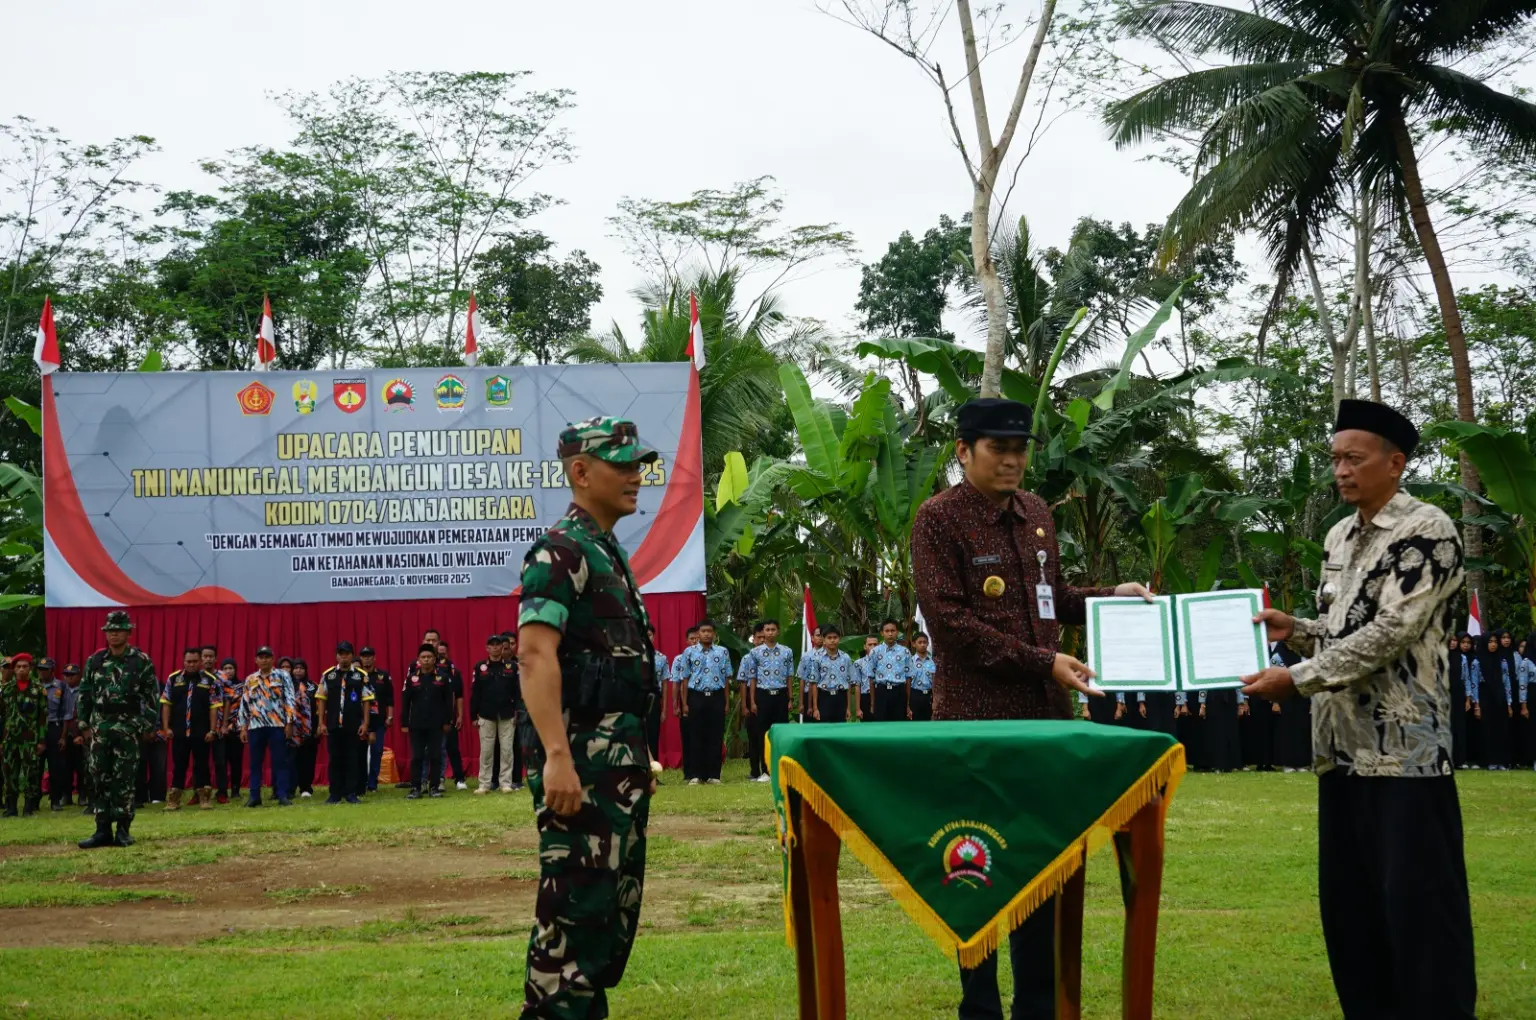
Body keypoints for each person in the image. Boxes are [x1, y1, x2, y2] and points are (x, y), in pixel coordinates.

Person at [911, 397, 1151, 1020]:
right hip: (975, 723)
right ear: (964, 451)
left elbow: (1052, 597)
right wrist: (1044, 662)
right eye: (998, 448)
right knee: (977, 863)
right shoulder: (938, 518)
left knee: (1044, 862)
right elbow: (950, 623)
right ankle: (980, 1006)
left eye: (1020, 449)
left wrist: (1111, 597)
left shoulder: (1036, 513)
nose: (1012, 460)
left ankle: (1038, 1006)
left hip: (1046, 721)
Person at [1242, 398, 1475, 1020]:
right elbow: (1344, 630)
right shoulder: (1339, 535)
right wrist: (1296, 629)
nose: (1341, 471)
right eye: (1335, 459)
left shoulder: (1427, 530)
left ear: (1395, 463)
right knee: (1352, 911)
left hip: (1405, 754)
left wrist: (1296, 678)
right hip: (1340, 749)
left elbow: (1392, 631)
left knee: (1421, 909)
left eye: (1355, 459)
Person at [516, 415, 661, 1020]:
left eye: (639, 465)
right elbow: (534, 654)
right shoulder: (561, 550)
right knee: (572, 918)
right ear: (580, 471)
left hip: (613, 765)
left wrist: (638, 756)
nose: (636, 476)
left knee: (605, 917)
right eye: (622, 464)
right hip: (579, 763)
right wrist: (557, 756)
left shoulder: (606, 551)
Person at [77, 611, 160, 849]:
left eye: (118, 630)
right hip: (100, 726)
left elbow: (151, 696)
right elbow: (84, 693)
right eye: (110, 631)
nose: (113, 634)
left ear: (128, 632)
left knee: (124, 779)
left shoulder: (140, 660)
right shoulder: (95, 660)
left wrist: (146, 726)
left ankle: (123, 830)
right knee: (98, 778)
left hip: (127, 726)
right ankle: (101, 830)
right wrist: (84, 725)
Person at [672, 620, 732, 785]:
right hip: (696, 696)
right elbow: (684, 679)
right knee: (696, 735)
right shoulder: (689, 652)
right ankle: (695, 774)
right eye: (703, 631)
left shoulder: (722, 652)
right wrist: (685, 703)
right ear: (698, 634)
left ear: (714, 634)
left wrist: (726, 702)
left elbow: (726, 678)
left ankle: (714, 775)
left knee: (715, 735)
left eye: (709, 631)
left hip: (716, 696)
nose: (706, 634)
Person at [161, 648, 219, 811]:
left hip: (201, 731)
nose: (191, 664)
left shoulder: (210, 680)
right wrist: (166, 728)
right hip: (179, 730)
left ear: (200, 662)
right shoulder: (173, 678)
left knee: (202, 764)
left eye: (195, 661)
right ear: (183, 661)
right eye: (188, 661)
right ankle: (174, 800)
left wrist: (212, 730)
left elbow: (214, 707)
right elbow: (166, 704)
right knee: (179, 764)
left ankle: (204, 799)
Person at [237, 647, 295, 808]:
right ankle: (254, 796)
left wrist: (290, 722)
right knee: (255, 762)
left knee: (280, 761)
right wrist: (243, 727)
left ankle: (282, 794)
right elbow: (245, 703)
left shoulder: (282, 676)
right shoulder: (250, 679)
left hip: (277, 724)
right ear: (256, 660)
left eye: (267, 657)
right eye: (261, 657)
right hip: (256, 726)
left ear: (273, 659)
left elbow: (290, 699)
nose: (264, 660)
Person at [316, 642, 373, 804]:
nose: (344, 657)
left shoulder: (361, 675)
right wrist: (321, 723)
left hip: (353, 725)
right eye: (341, 654)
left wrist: (365, 723)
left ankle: (351, 793)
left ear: (352, 655)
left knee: (352, 759)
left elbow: (367, 700)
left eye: (347, 654)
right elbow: (322, 699)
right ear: (336, 656)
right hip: (333, 724)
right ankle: (335, 793)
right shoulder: (328, 675)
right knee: (335, 759)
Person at [739, 618, 793, 781]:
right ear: (763, 632)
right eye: (767, 630)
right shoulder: (755, 653)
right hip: (763, 694)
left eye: (773, 629)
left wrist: (790, 698)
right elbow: (752, 678)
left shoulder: (787, 651)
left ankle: (781, 768)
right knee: (763, 734)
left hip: (781, 695)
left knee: (781, 733)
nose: (770, 632)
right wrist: (752, 701)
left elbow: (789, 676)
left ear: (778, 631)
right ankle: (766, 771)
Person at [401, 644, 453, 799]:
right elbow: (405, 702)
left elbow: (448, 702)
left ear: (435, 659)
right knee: (417, 757)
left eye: (429, 657)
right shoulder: (412, 679)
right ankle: (416, 788)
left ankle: (434, 787)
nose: (426, 660)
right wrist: (404, 723)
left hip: (436, 724)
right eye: (423, 657)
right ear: (418, 659)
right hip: (417, 724)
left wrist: (447, 721)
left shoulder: (442, 678)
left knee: (435, 756)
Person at [1, 653, 49, 817]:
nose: (21, 669)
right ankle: (11, 807)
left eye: (25, 666)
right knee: (10, 773)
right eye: (18, 667)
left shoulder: (38, 689)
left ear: (30, 668)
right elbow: (2, 716)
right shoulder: (6, 689)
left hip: (30, 739)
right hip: (10, 739)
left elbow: (42, 717)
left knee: (31, 773)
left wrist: (41, 740)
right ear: (14, 669)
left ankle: (29, 807)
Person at [471, 633, 519, 794]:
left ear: (502, 647)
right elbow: (475, 692)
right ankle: (484, 784)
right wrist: (473, 715)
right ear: (487, 648)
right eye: (492, 645)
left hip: (507, 713)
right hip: (486, 714)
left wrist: (518, 711)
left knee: (507, 750)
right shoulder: (480, 667)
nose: (495, 647)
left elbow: (518, 691)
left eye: (498, 645)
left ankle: (505, 783)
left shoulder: (512, 667)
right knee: (486, 751)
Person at [1271, 641, 1312, 772]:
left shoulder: (1303, 656)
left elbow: (1310, 678)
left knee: (1301, 729)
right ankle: (1287, 764)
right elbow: (1273, 681)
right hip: (1284, 698)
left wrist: (1312, 701)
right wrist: (1275, 702)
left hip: (1302, 697)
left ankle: (1301, 763)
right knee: (1287, 730)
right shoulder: (1277, 657)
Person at [434, 639, 469, 791]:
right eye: (439, 654)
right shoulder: (429, 670)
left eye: (443, 654)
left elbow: (459, 695)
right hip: (432, 716)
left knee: (453, 748)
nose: (441, 657)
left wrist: (460, 715)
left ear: (447, 653)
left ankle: (459, 778)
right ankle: (435, 779)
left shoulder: (454, 672)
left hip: (449, 716)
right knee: (434, 749)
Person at [1474, 631, 1512, 771]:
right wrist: (1477, 705)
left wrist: (1509, 703)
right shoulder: (1477, 662)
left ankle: (1500, 761)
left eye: (1495, 642)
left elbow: (1507, 682)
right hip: (1485, 697)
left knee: (1501, 730)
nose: (1493, 645)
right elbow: (1474, 684)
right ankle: (1489, 761)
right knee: (1487, 730)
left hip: (1500, 697)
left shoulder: (1502, 661)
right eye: (1490, 642)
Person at [864, 619, 915, 723]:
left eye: (893, 631)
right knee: (881, 725)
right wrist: (873, 704)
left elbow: (908, 678)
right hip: (881, 692)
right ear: (882, 633)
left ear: (897, 632)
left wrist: (908, 704)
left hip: (899, 692)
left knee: (899, 725)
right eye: (887, 631)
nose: (890, 634)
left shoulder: (905, 652)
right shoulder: (875, 652)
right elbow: (871, 679)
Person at [804, 626, 857, 723]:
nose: (832, 640)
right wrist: (815, 708)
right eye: (829, 638)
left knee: (840, 728)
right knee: (824, 728)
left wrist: (848, 708)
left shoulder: (846, 658)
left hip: (840, 698)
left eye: (835, 637)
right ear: (824, 640)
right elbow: (814, 683)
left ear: (839, 639)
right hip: (824, 698)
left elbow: (849, 683)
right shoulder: (817, 658)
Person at [359, 647, 393, 793]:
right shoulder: (356, 676)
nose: (366, 659)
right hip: (360, 720)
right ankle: (360, 782)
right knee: (359, 751)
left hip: (378, 720)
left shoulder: (383, 676)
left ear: (374, 658)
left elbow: (390, 699)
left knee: (377, 751)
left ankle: (372, 783)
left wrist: (390, 716)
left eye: (369, 656)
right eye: (364, 656)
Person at [287, 659, 318, 799]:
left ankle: (306, 787)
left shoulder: (313, 686)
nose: (298, 670)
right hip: (292, 729)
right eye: (296, 668)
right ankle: (290, 788)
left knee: (308, 759)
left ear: (306, 670)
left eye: (301, 668)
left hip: (310, 729)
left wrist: (318, 727)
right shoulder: (287, 686)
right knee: (292, 760)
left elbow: (319, 707)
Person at [213, 657, 242, 803]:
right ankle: (222, 790)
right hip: (219, 728)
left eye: (231, 668)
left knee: (236, 760)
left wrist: (233, 725)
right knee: (220, 761)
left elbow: (245, 708)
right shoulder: (217, 685)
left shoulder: (242, 686)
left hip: (236, 728)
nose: (228, 671)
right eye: (225, 668)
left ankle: (236, 789)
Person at [674, 625, 699, 779]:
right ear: (686, 641)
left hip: (701, 697)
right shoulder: (680, 659)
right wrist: (676, 705)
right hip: (686, 699)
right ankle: (689, 771)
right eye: (692, 638)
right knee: (688, 736)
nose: (695, 641)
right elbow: (677, 683)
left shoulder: (709, 656)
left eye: (697, 638)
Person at [1199, 689, 1242, 773]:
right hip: (1213, 699)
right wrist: (1202, 703)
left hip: (1230, 699)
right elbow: (1203, 686)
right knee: (1215, 732)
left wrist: (1240, 703)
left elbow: (1238, 687)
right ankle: (1216, 764)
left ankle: (1229, 765)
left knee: (1230, 732)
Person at [647, 625, 667, 772]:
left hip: (654, 700)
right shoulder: (633, 657)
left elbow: (665, 686)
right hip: (636, 700)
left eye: (649, 635)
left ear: (653, 636)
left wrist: (664, 710)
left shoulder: (661, 658)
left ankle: (652, 773)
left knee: (653, 736)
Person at [798, 626, 823, 721]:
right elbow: (802, 679)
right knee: (809, 723)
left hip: (823, 693)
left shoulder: (829, 655)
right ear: (812, 638)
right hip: (808, 695)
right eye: (818, 635)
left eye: (822, 635)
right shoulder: (806, 656)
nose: (820, 638)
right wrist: (801, 702)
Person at [908, 633, 935, 721]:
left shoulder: (933, 662)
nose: (923, 645)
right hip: (915, 695)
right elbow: (908, 682)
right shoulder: (910, 662)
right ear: (914, 644)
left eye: (924, 642)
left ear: (928, 643)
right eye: (920, 642)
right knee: (915, 722)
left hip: (929, 695)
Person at [855, 635, 879, 720]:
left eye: (875, 644)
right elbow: (857, 685)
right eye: (870, 644)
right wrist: (858, 708)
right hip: (865, 697)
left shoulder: (883, 662)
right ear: (865, 646)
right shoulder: (859, 663)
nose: (873, 647)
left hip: (880, 694)